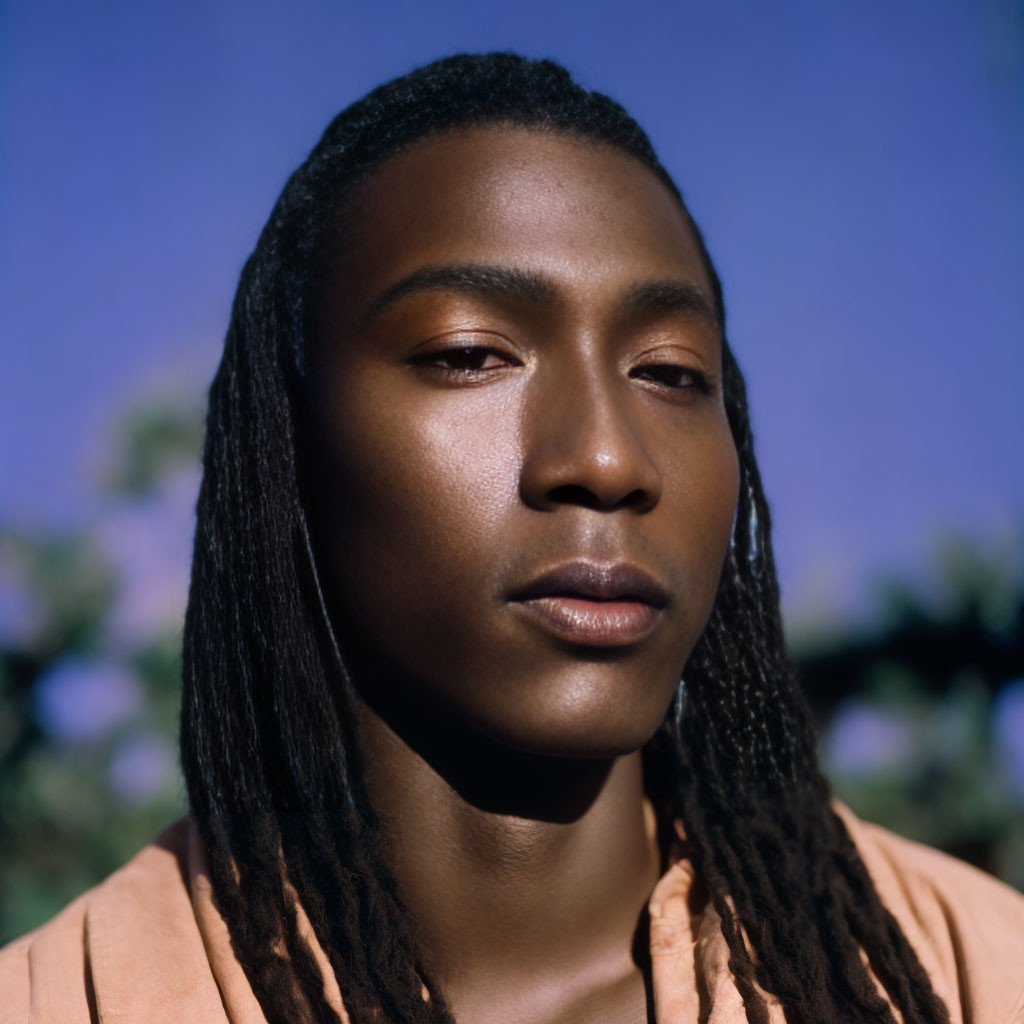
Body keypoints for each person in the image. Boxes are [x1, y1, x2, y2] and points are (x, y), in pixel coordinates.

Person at [2, 52, 1023, 1024]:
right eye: (470, 353)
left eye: (670, 370)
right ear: (287, 443)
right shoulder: (65, 997)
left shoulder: (973, 972)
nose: (609, 457)